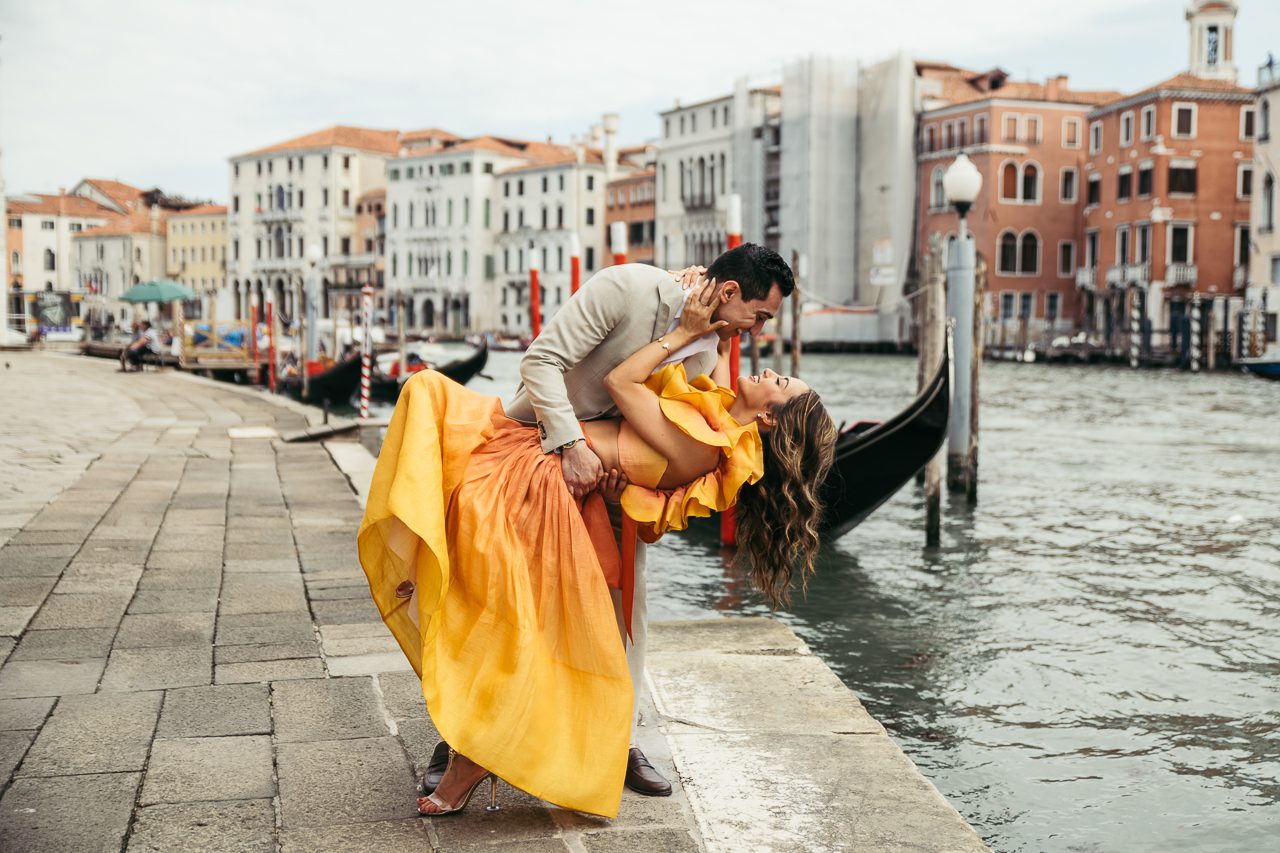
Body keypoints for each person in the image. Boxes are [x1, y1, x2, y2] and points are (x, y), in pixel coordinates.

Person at [359, 270, 836, 820]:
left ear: (772, 416)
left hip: (543, 486)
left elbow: (622, 388)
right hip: (547, 464)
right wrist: (701, 306)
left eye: (780, 383)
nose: (766, 355)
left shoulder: (712, 446)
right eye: (758, 316)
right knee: (500, 611)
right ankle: (474, 743)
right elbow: (662, 398)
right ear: (728, 293)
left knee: (517, 623)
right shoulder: (715, 404)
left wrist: (682, 333)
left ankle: (485, 753)